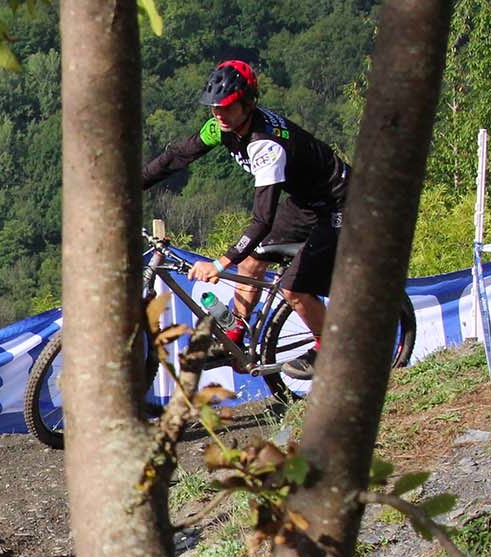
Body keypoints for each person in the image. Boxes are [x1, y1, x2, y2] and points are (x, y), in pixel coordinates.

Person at [141, 59, 350, 378]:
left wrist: (220, 264)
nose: (218, 115)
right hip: (307, 201)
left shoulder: (265, 145)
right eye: (214, 108)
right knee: (252, 260)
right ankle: (235, 330)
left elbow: (262, 219)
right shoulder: (220, 127)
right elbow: (177, 156)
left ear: (248, 104)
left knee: (295, 288)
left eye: (227, 107)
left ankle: (330, 347)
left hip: (342, 203)